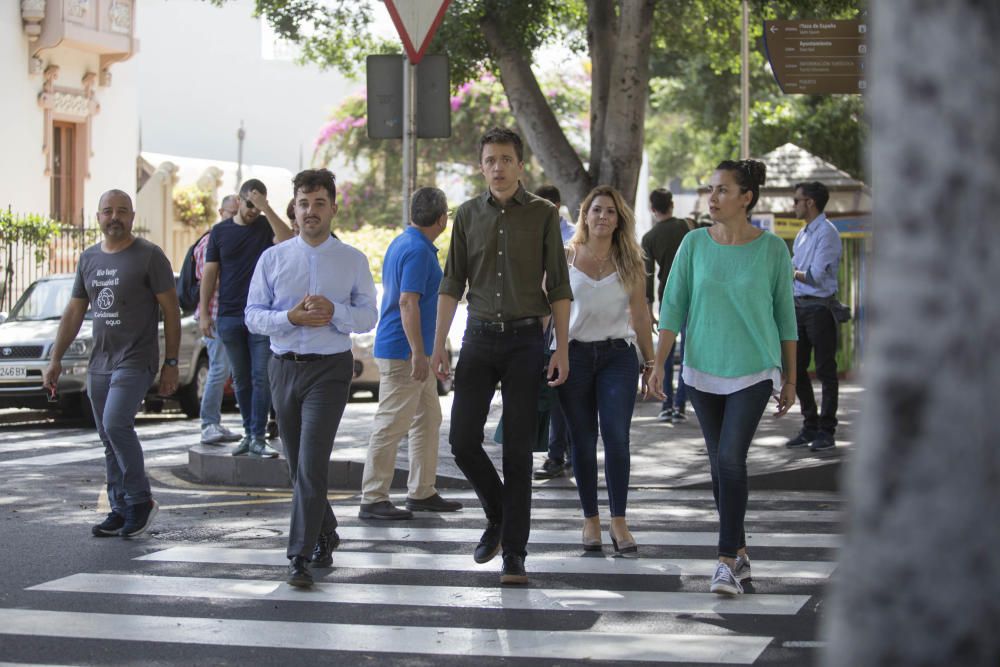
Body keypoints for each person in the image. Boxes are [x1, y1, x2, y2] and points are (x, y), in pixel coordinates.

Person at [431, 126, 572, 586]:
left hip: (526, 341)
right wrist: (438, 345)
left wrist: (562, 348)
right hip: (477, 337)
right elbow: (452, 282)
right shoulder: (468, 214)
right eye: (490, 159)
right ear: (481, 165)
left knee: (516, 451)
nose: (498, 167)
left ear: (520, 164)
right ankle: (497, 513)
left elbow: (560, 286)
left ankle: (515, 553)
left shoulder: (544, 214)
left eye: (506, 159)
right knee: (462, 441)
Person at [650, 159, 797, 596]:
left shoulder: (772, 249)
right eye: (709, 190)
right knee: (719, 467)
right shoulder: (694, 243)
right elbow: (673, 305)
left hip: (754, 368)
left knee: (731, 458)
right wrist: (659, 363)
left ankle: (724, 562)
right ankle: (742, 553)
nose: (711, 198)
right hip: (701, 371)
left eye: (721, 190)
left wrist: (789, 378)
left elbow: (785, 318)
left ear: (746, 197)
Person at [246, 168, 378, 587]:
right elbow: (252, 316)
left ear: (333, 208)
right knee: (297, 466)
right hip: (283, 367)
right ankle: (327, 530)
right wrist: (291, 316)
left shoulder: (352, 260)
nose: (310, 211)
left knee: (312, 461)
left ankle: (298, 556)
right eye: (304, 204)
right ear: (295, 208)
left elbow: (368, 316)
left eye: (319, 203)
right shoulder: (273, 259)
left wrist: (333, 312)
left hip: (329, 370)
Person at [42, 189, 179, 538]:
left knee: (116, 424)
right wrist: (55, 358)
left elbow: (171, 311)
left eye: (121, 211)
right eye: (107, 211)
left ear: (132, 217)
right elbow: (74, 311)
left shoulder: (149, 256)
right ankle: (119, 508)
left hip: (136, 359)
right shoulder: (88, 259)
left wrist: (171, 363)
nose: (114, 217)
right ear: (98, 218)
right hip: (99, 361)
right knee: (107, 435)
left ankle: (140, 501)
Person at [557, 185, 655, 557]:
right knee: (582, 439)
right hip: (574, 357)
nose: (602, 217)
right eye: (596, 210)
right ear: (585, 215)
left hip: (618, 356)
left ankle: (619, 519)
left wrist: (650, 362)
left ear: (619, 220)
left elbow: (641, 314)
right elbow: (549, 311)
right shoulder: (565, 258)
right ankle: (590, 519)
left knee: (617, 436)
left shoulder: (631, 261)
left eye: (610, 212)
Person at [359, 187, 463, 520]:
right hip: (404, 352)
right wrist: (419, 352)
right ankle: (373, 497)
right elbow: (408, 302)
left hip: (410, 350)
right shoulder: (418, 251)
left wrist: (430, 350)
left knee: (428, 419)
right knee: (391, 424)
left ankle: (422, 491)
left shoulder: (404, 243)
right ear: (442, 218)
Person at [199, 179, 293, 458]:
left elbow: (288, 240)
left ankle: (258, 436)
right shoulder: (219, 232)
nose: (253, 211)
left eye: (258, 206)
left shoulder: (265, 227)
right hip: (229, 316)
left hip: (261, 315)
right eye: (250, 204)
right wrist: (205, 312)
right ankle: (247, 433)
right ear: (238, 201)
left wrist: (267, 209)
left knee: (260, 377)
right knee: (240, 380)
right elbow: (209, 274)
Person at [785, 181, 842, 452]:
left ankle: (826, 430)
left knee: (825, 371)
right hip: (799, 307)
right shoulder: (803, 234)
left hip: (820, 308)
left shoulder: (827, 234)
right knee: (795, 368)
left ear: (810, 203)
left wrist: (790, 271)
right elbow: (799, 268)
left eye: (796, 200)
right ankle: (810, 424)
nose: (793, 205)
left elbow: (815, 276)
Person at [532, 184, 574, 480]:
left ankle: (562, 453)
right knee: (556, 391)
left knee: (562, 392)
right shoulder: (533, 233)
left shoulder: (570, 238)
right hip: (546, 325)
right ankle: (559, 453)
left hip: (566, 323)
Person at [194, 194, 242, 445]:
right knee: (219, 369)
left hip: (228, 315)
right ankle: (208, 424)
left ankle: (215, 422)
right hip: (214, 316)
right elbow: (207, 279)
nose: (234, 217)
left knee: (227, 370)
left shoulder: (232, 237)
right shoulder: (212, 240)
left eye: (238, 212)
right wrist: (204, 316)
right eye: (230, 213)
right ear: (221, 212)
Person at [641, 188, 690, 424]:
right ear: (672, 204)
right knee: (688, 352)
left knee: (666, 353)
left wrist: (649, 310)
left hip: (668, 297)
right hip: (693, 296)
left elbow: (648, 276)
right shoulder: (686, 227)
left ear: (652, 209)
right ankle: (680, 404)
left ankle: (666, 402)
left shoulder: (649, 237)